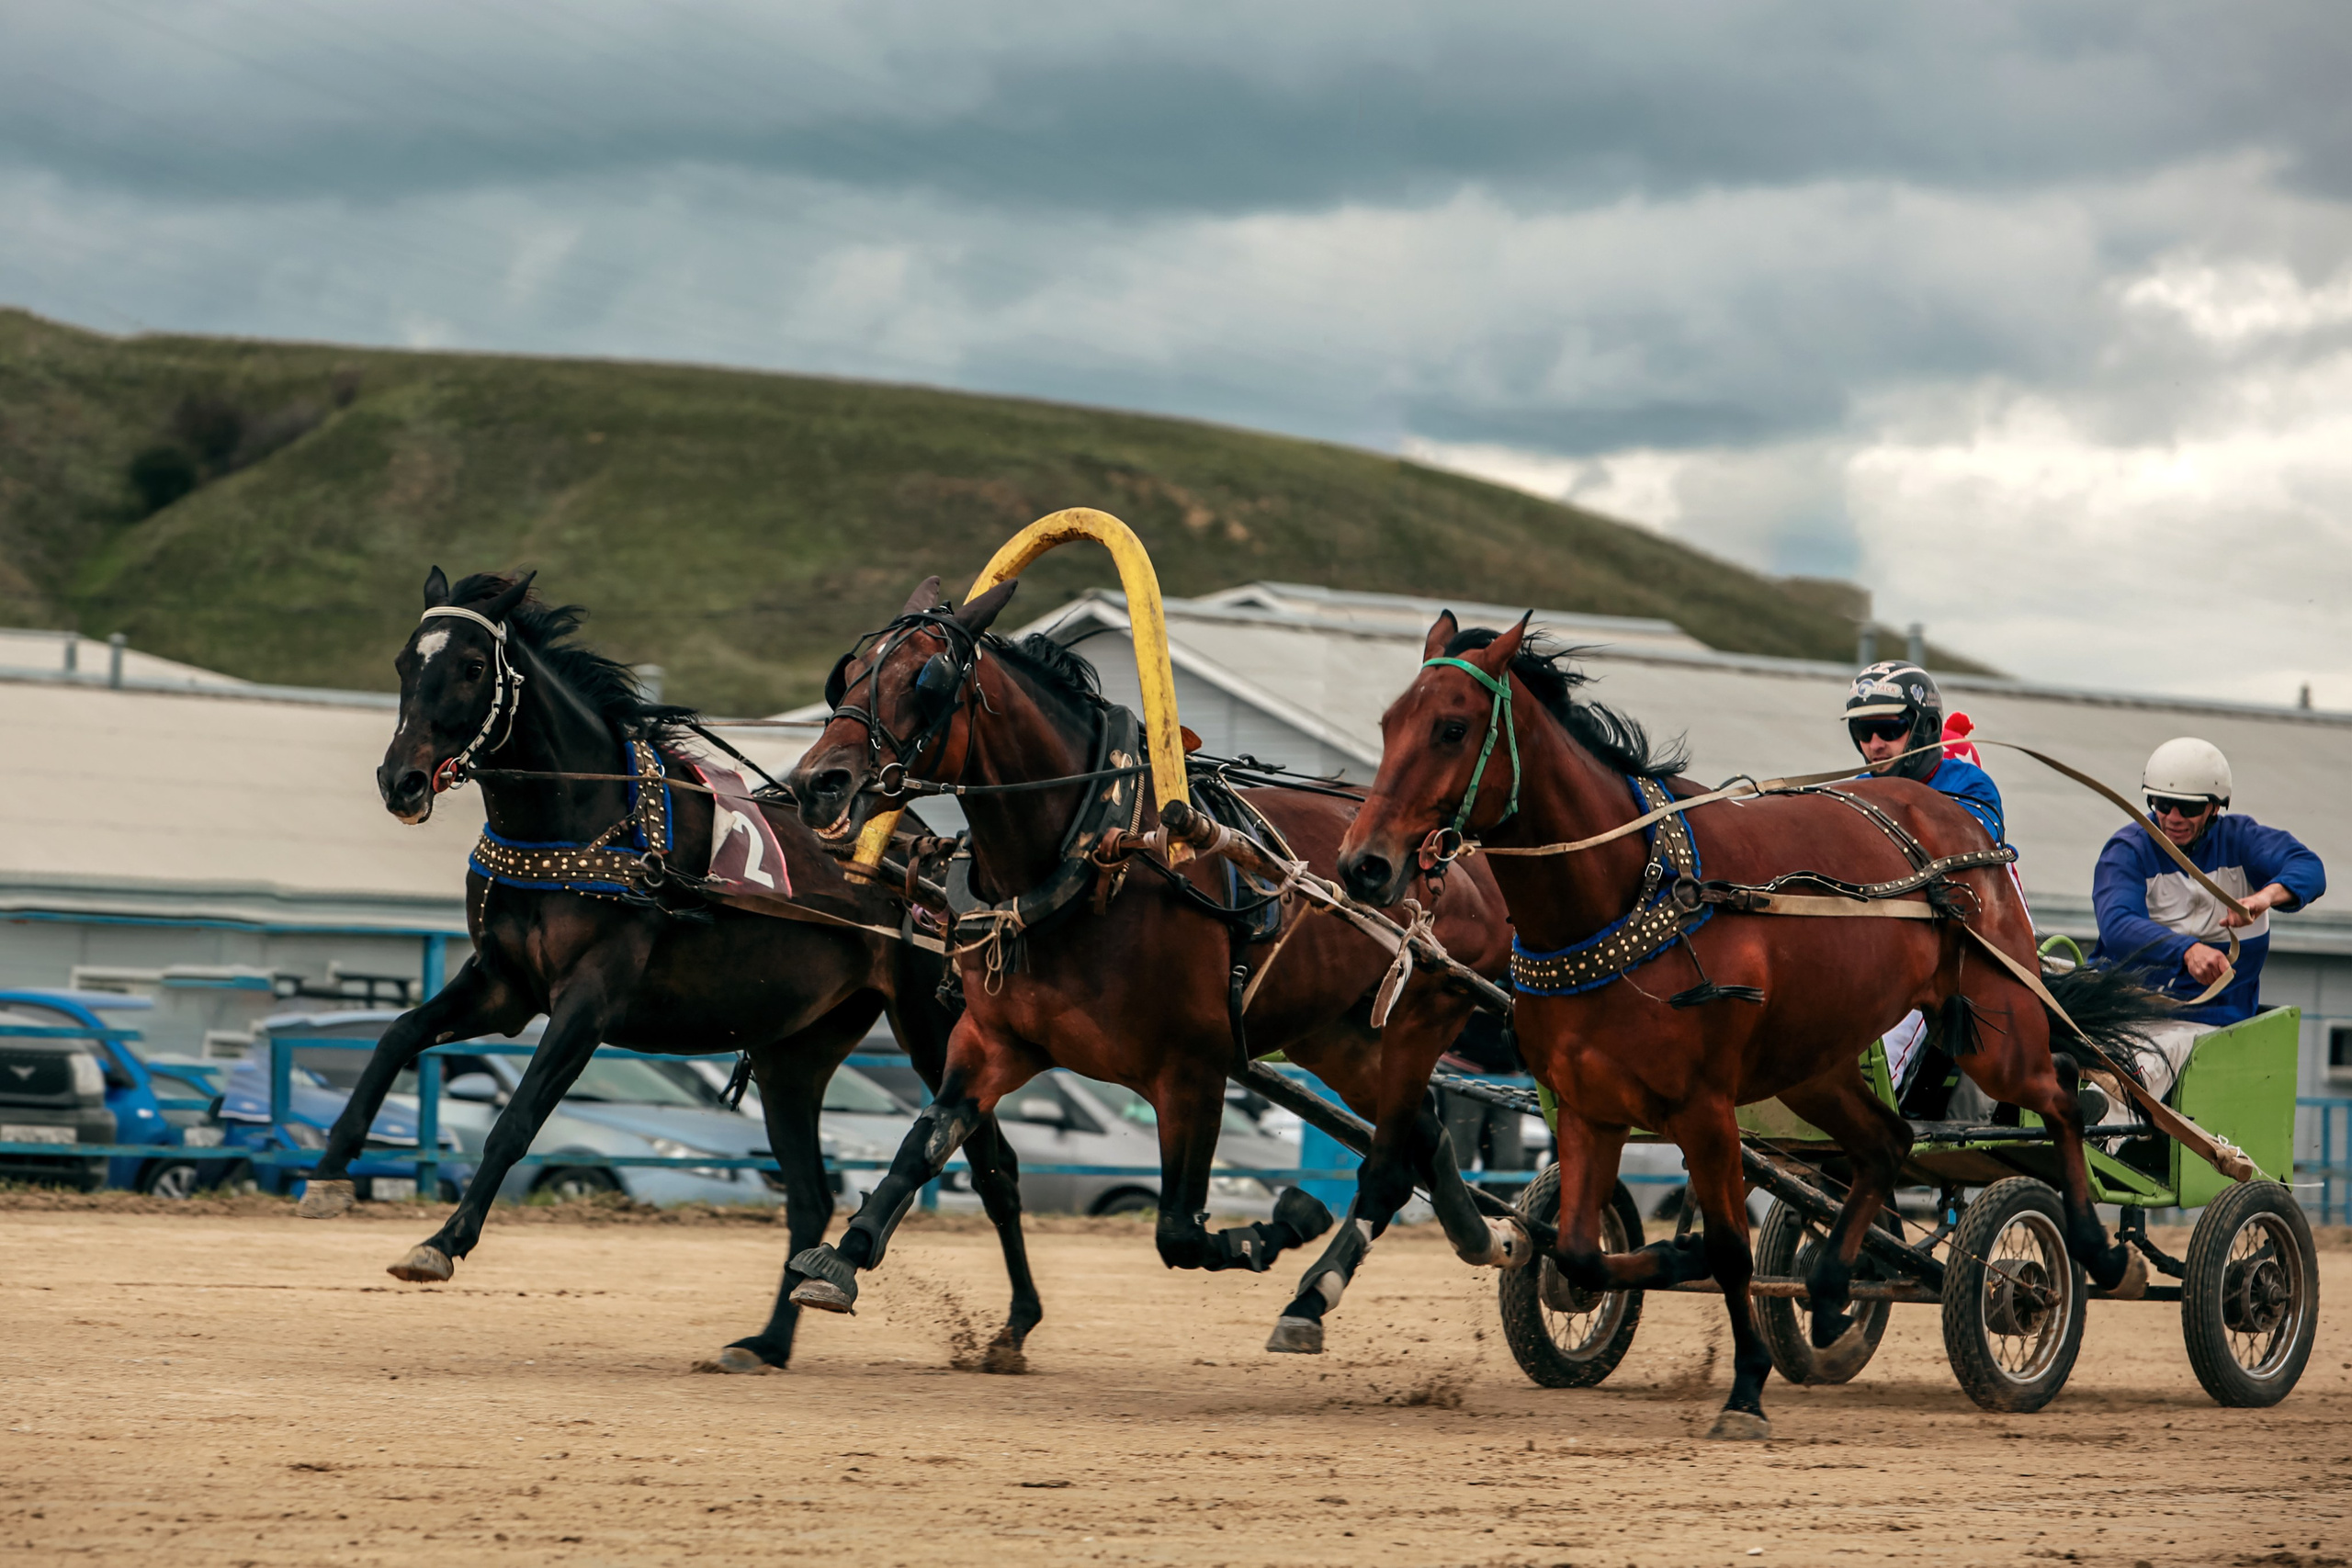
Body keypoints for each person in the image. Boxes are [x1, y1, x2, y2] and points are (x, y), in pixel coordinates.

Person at [2093, 737, 2325, 1098]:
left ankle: (2096, 1127)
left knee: (2153, 1057)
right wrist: (2186, 952)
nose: (2172, 818)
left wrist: (2265, 898)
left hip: (2208, 1019)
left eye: (2187, 808)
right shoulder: (2128, 849)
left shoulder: (2243, 840)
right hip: (2125, 1009)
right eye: (2162, 804)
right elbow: (2117, 923)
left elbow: (2309, 868)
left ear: (2215, 808)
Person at [1843, 661, 2010, 1104]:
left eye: (1888, 728)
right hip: (1875, 947)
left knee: (1894, 1014)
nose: (1874, 744)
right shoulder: (1854, 790)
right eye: (1863, 730)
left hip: (1952, 949)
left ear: (1925, 728)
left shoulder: (1972, 787)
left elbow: (1966, 873)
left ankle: (1870, 1111)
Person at [1433, 1009, 1528, 1198]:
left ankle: (1491, 1213)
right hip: (1462, 1071)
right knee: (1459, 1157)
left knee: (1509, 1163)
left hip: (1509, 1078)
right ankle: (1456, 1212)